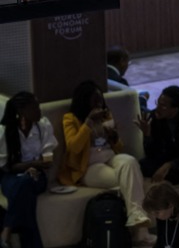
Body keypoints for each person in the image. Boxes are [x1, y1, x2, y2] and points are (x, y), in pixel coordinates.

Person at [60, 80, 150, 236]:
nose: (99, 103)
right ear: (84, 101)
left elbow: (119, 148)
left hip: (110, 157)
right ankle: (141, 232)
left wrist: (114, 138)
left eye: (100, 99)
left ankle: (136, 218)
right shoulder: (70, 118)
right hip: (89, 167)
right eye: (95, 100)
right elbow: (73, 147)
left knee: (130, 162)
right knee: (130, 179)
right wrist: (88, 122)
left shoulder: (106, 114)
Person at [0, 92, 56, 248]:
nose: (39, 110)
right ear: (22, 111)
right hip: (11, 178)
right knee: (25, 191)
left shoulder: (43, 126)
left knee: (26, 184)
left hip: (37, 176)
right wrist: (30, 165)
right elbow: (5, 166)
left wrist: (38, 165)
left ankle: (6, 230)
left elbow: (48, 159)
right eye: (35, 107)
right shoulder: (5, 131)